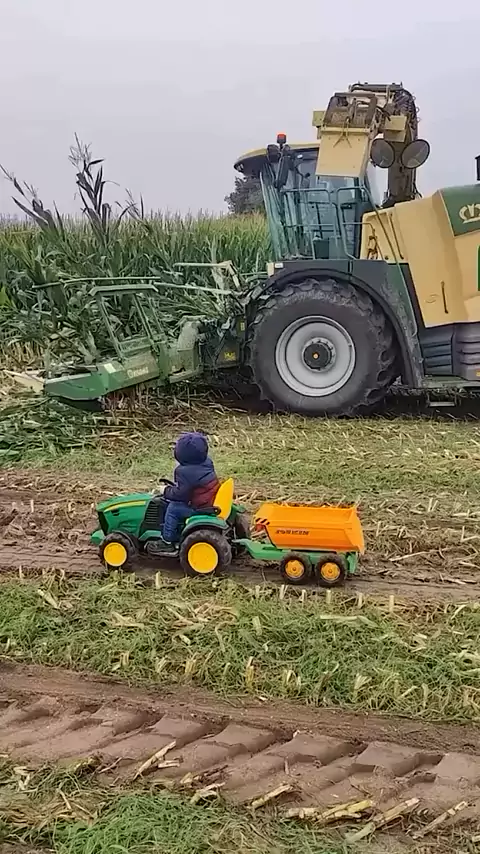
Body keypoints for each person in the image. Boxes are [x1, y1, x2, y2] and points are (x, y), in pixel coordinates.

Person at [161, 431, 219, 549]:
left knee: (172, 509)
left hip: (199, 507)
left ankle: (167, 540)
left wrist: (166, 491)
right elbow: (190, 487)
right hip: (208, 499)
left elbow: (181, 495)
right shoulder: (206, 462)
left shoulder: (184, 472)